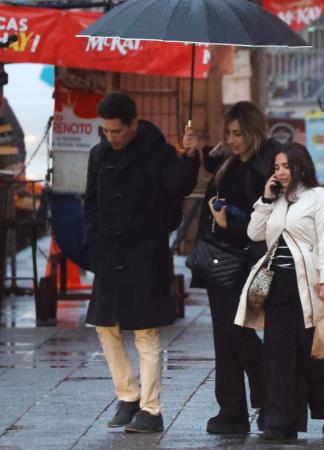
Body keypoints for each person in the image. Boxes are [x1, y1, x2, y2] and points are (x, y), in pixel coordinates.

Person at [83, 92, 199, 433]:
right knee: (105, 327)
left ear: (133, 124)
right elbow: (90, 202)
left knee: (146, 333)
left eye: (116, 131)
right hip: (108, 254)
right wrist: (93, 242)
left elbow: (179, 187)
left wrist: (190, 155)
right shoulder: (98, 155)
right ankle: (127, 395)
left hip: (145, 254)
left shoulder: (156, 151)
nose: (110, 137)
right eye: (105, 131)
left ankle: (151, 409)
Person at [236, 143, 324, 441]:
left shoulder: (319, 197)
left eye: (286, 166)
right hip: (276, 284)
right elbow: (254, 233)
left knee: (316, 353)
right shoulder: (276, 199)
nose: (281, 172)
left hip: (310, 284)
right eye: (277, 167)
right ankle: (281, 422)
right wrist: (265, 199)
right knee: (277, 354)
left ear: (301, 166)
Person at [185, 101, 281, 434]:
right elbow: (211, 160)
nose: (233, 139)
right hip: (222, 263)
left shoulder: (267, 166)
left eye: (238, 133)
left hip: (255, 263)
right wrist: (199, 145)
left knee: (242, 333)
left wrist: (231, 219)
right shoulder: (227, 162)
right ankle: (231, 409)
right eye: (229, 133)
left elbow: (268, 220)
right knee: (224, 337)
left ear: (254, 131)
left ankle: (268, 401)